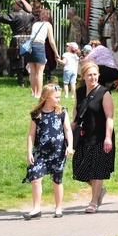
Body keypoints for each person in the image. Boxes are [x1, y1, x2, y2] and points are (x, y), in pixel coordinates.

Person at [22, 84, 73, 219]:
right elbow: (31, 134)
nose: (58, 100)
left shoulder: (62, 112)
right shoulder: (37, 114)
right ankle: (36, 208)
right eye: (56, 97)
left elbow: (68, 130)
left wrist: (70, 146)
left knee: (57, 180)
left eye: (59, 97)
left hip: (58, 152)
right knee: (36, 178)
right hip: (40, 153)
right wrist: (29, 152)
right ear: (46, 97)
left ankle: (58, 208)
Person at [72, 62, 115, 214]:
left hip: (101, 135)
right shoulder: (80, 91)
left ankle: (93, 202)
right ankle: (100, 190)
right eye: (89, 75)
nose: (93, 77)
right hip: (84, 135)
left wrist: (108, 137)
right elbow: (77, 110)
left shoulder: (104, 93)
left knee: (97, 169)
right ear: (83, 76)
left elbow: (110, 117)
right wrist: (73, 124)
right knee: (79, 168)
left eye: (95, 74)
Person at [0, 0, 35, 87]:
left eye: (15, 4)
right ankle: (29, 81)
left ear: (18, 5)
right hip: (28, 40)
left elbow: (0, 17)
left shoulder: (14, 15)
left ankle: (21, 82)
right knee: (28, 61)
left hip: (17, 40)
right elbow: (31, 11)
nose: (13, 6)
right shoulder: (30, 16)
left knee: (19, 61)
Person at [27, 9, 60, 98]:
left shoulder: (35, 24)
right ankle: (38, 94)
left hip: (30, 46)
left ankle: (33, 93)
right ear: (48, 16)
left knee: (33, 72)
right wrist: (56, 53)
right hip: (39, 45)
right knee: (40, 72)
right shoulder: (48, 25)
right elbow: (51, 41)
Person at [97, 0, 118, 68]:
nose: (107, 9)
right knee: (105, 56)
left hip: (113, 39)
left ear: (112, 7)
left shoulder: (115, 15)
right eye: (106, 7)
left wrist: (117, 43)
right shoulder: (105, 16)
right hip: (105, 38)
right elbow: (100, 31)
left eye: (109, 7)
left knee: (116, 56)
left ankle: (117, 71)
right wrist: (99, 23)